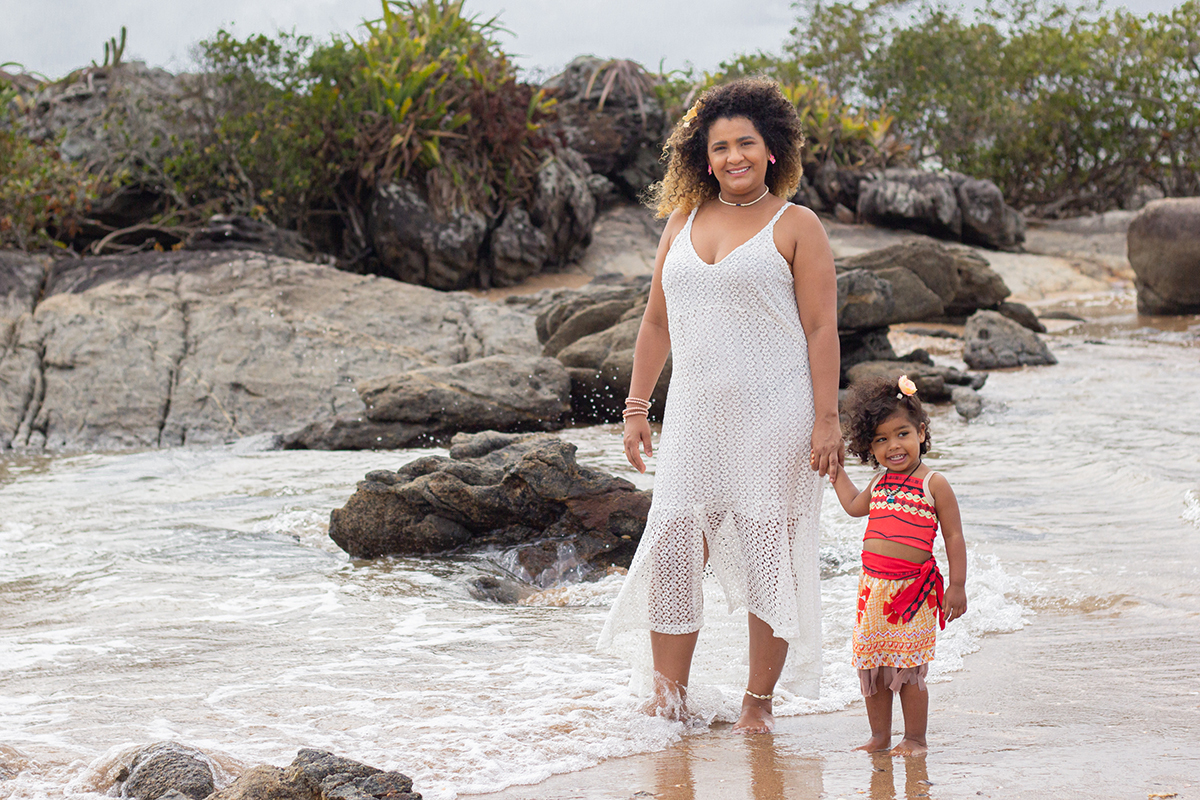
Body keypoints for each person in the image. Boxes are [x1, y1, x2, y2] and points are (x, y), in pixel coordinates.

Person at [597, 78, 843, 734]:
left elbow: (822, 329)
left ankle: (756, 706)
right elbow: (655, 322)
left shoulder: (797, 225)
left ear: (772, 152)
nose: (734, 156)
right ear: (703, 158)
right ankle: (667, 698)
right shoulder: (681, 221)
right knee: (678, 547)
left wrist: (827, 419)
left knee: (768, 545)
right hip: (695, 419)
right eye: (720, 146)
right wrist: (636, 407)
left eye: (746, 144)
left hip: (776, 413)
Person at [828, 374, 968, 756]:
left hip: (913, 593)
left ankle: (915, 738)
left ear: (921, 433)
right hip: (872, 590)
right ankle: (879, 737)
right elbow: (855, 506)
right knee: (872, 665)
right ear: (869, 447)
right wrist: (835, 472)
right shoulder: (879, 482)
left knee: (908, 669)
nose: (893, 446)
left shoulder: (933, 484)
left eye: (902, 434)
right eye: (881, 439)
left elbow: (954, 536)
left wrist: (957, 585)